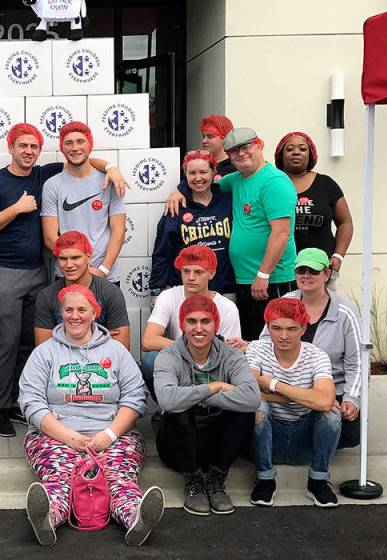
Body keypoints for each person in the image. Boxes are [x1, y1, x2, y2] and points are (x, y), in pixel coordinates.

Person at [0, 123, 127, 437]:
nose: (28, 152)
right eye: (22, 146)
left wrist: (111, 166)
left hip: (38, 273)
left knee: (31, 342)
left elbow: (83, 160)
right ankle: (1, 409)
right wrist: (16, 208)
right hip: (3, 271)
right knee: (5, 341)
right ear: (11, 148)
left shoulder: (45, 174)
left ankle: (23, 402)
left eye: (33, 147)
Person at [19, 285, 163, 546]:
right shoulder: (44, 353)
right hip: (56, 434)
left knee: (118, 475)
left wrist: (109, 435)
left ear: (94, 313)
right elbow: (30, 401)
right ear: (61, 314)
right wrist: (67, 437)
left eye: (82, 310)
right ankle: (47, 518)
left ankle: (136, 518)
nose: (75, 316)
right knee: (59, 475)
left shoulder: (117, 351)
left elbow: (135, 396)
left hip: (112, 434)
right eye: (68, 310)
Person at [169, 127, 298, 340]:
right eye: (234, 151)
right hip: (244, 280)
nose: (241, 153)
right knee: (248, 340)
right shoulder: (235, 180)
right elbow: (203, 184)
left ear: (260, 145)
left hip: (272, 280)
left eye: (246, 147)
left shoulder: (274, 182)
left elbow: (281, 233)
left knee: (275, 339)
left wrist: (263, 275)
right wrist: (178, 191)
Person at [151, 295, 260, 516]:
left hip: (215, 440)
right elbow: (166, 400)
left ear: (216, 324)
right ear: (182, 324)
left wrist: (193, 395)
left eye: (205, 321)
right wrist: (215, 387)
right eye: (191, 321)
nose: (198, 328)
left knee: (245, 412)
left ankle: (216, 480)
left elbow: (252, 397)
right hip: (178, 444)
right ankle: (194, 481)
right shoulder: (168, 355)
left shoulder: (230, 354)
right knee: (177, 410)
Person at [257, 248, 363, 449]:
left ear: (326, 274)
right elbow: (264, 344)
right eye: (301, 270)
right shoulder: (284, 302)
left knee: (349, 433)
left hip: (329, 386)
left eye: (313, 271)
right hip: (286, 382)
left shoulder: (346, 312)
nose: (306, 275)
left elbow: (357, 363)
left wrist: (352, 398)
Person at [247, 298, 342, 508]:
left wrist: (271, 384)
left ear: (303, 328)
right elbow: (247, 392)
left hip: (305, 436)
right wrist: (308, 397)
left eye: (291, 329)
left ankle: (318, 481)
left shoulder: (317, 356)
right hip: (270, 436)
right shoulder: (257, 348)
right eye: (276, 328)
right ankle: (265, 479)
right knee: (256, 408)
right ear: (267, 327)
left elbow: (326, 402)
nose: (283, 336)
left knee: (332, 414)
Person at [141, 245, 241, 391]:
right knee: (151, 360)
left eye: (198, 272)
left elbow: (231, 354)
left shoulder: (226, 307)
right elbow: (148, 341)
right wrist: (190, 350)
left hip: (213, 367)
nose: (191, 277)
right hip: (180, 362)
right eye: (186, 271)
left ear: (211, 274)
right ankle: (168, 407)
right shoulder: (169, 296)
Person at [41, 121, 126, 285]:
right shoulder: (52, 185)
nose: (75, 148)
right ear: (62, 148)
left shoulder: (111, 180)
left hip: (105, 274)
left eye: (80, 141)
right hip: (68, 274)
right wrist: (77, 268)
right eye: (69, 143)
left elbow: (119, 231)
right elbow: (50, 238)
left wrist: (103, 269)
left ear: (90, 145)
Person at [149, 150, 234, 298]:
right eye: (192, 173)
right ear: (185, 175)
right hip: (187, 290)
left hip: (225, 290)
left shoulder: (228, 200)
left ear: (213, 172)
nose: (198, 178)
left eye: (203, 172)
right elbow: (162, 253)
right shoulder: (176, 206)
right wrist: (156, 290)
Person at [275, 131, 353, 276]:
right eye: (290, 149)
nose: (296, 152)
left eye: (302, 149)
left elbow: (345, 222)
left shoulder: (326, 184)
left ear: (310, 154)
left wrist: (338, 256)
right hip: (280, 270)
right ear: (281, 155)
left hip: (319, 268)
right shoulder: (272, 185)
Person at [35, 232, 130, 350]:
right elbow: (43, 350)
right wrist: (103, 337)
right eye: (63, 259)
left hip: (102, 363)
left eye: (75, 258)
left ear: (88, 257)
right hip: (62, 364)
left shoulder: (110, 292)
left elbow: (121, 349)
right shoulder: (47, 296)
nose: (69, 265)